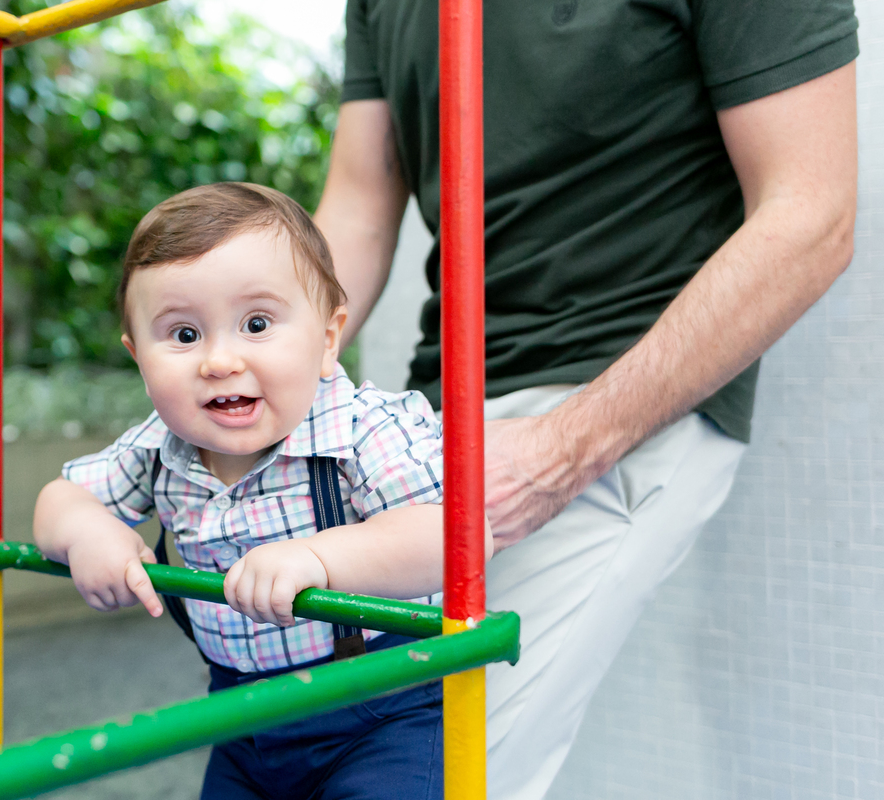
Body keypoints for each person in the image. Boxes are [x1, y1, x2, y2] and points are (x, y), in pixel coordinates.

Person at [312, 1, 859, 797]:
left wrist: (564, 448)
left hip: (612, 398)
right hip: (434, 412)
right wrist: (241, 372)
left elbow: (813, 214)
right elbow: (358, 209)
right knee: (310, 743)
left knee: (427, 778)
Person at [34, 182, 485, 798]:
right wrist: (88, 530)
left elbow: (456, 536)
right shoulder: (158, 447)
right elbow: (60, 498)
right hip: (242, 720)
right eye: (184, 335)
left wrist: (320, 558)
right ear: (138, 358)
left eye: (256, 323)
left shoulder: (363, 428)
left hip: (385, 709)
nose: (219, 361)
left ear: (327, 339)